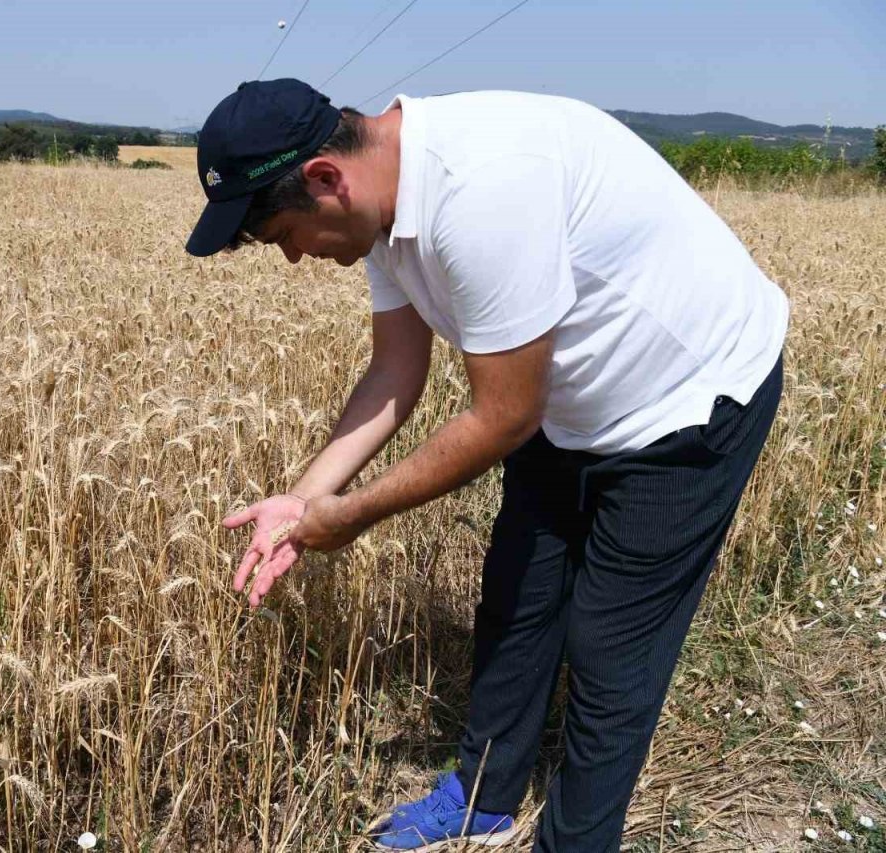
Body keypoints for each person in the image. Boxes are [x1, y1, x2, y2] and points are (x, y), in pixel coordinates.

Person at [186, 78, 788, 852]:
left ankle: (575, 841)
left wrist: (354, 513)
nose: (297, 257)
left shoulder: (482, 190)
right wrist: (304, 502)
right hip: (563, 394)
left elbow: (505, 415)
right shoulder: (381, 205)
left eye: (283, 236)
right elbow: (394, 373)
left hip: (685, 399)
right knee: (518, 596)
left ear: (324, 179)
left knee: (610, 653)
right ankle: (487, 796)